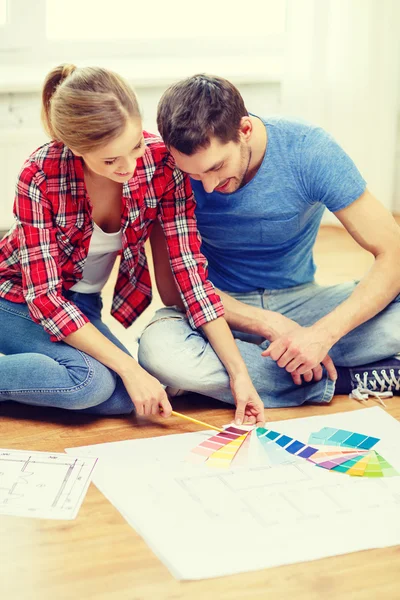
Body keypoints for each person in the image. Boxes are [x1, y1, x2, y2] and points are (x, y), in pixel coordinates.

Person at [0, 65, 264, 426]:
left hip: (82, 306)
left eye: (135, 145)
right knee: (90, 383)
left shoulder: (160, 165)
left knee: (128, 397)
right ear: (77, 149)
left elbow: (191, 277)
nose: (129, 166)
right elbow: (44, 297)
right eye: (111, 160)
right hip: (15, 296)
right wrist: (127, 366)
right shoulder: (41, 174)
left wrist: (239, 375)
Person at [138, 73, 400, 408]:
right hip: (217, 313)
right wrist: (267, 324)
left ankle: (230, 378)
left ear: (244, 130)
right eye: (194, 174)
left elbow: (393, 251)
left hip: (303, 306)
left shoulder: (308, 150)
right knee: (158, 351)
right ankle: (342, 379)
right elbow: (175, 290)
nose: (207, 185)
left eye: (217, 167)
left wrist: (321, 335)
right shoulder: (166, 170)